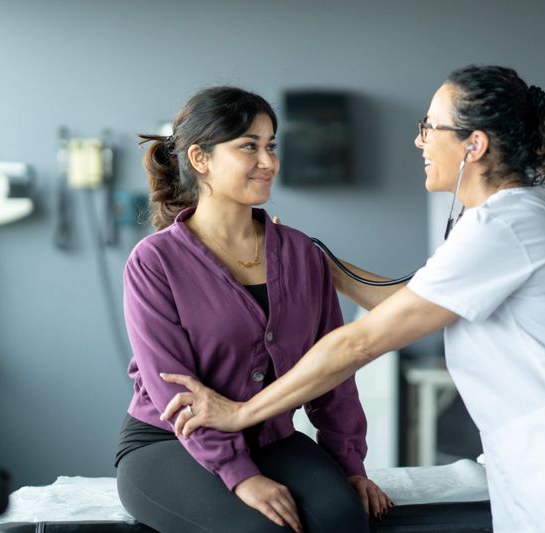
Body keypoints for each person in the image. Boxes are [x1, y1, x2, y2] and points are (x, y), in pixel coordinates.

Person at [158, 67, 545, 532]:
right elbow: (410, 299)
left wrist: (241, 413)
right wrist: (314, 261)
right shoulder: (514, 214)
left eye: (430, 127)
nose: (419, 140)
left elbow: (360, 342)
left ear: (474, 145)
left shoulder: (508, 225)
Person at [115, 86, 390, 533]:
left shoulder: (302, 254)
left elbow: (333, 373)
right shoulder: (155, 261)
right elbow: (173, 391)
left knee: (344, 518)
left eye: (271, 146)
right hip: (170, 443)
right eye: (249, 146)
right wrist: (240, 475)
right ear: (200, 159)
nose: (268, 162)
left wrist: (350, 465)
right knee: (262, 529)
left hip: (270, 437)